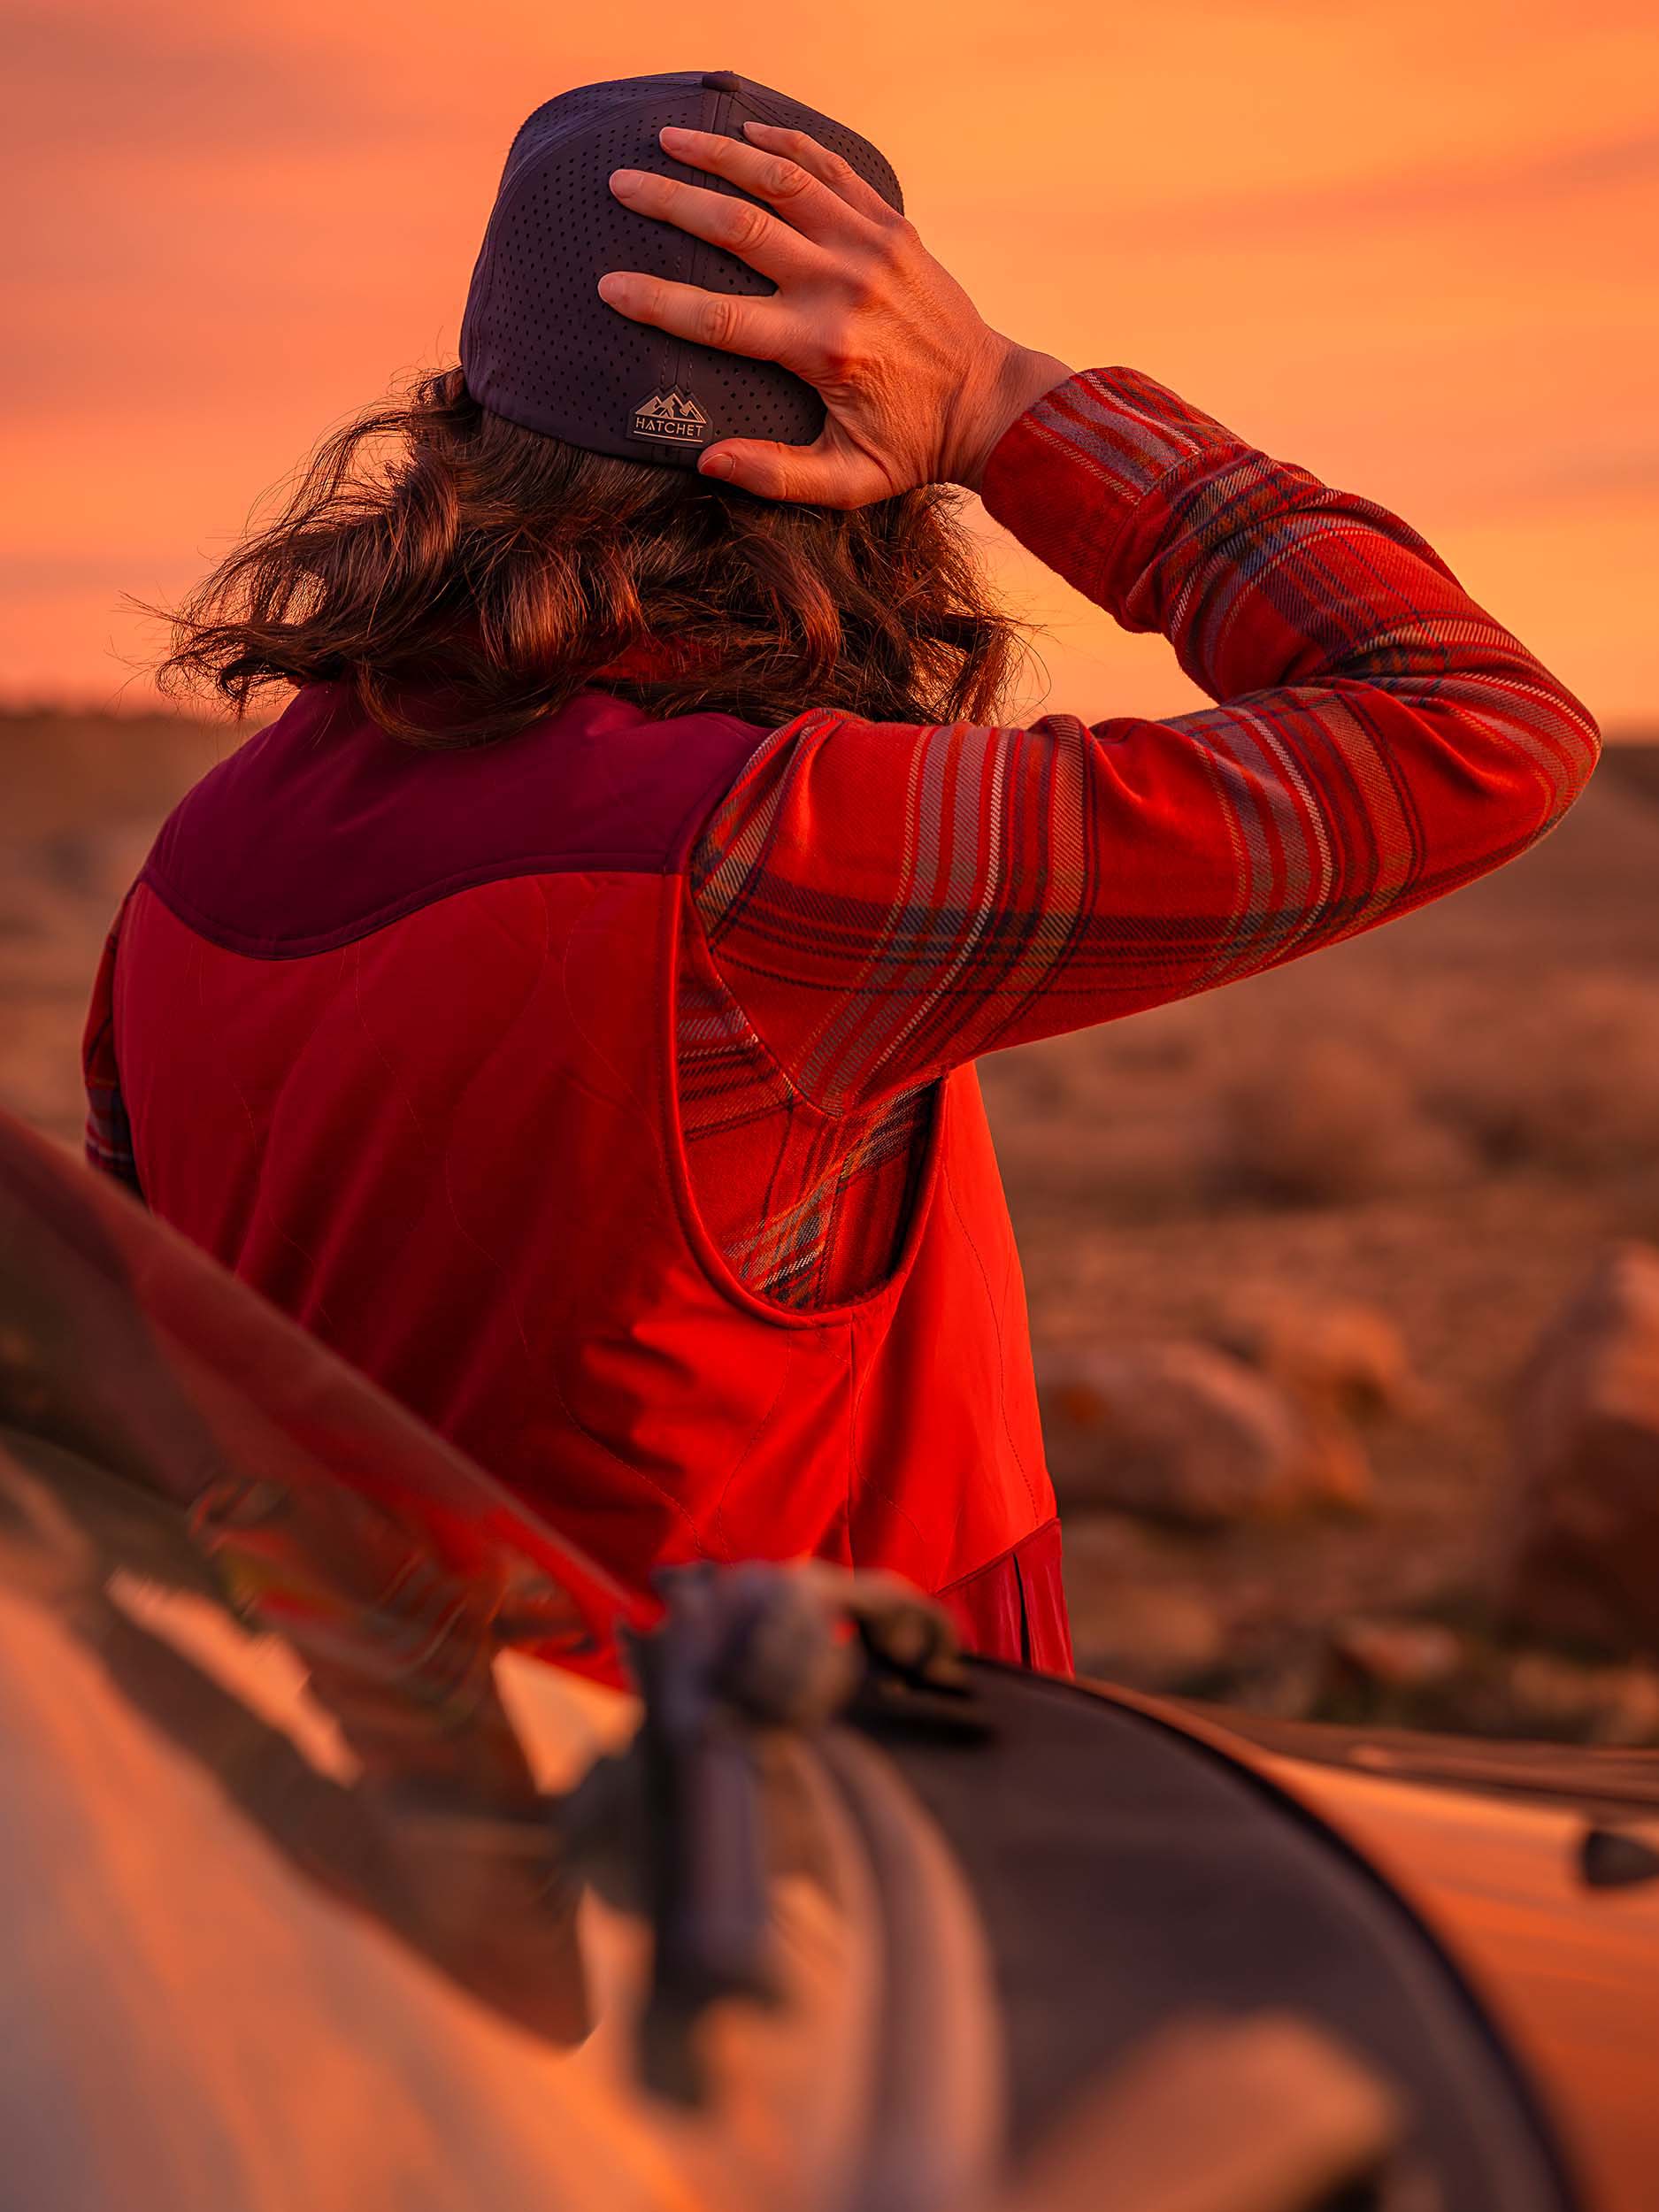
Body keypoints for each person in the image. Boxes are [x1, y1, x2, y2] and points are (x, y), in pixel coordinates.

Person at [81, 71, 1600, 1684]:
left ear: (469, 424)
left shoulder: (196, 866)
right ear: (864, 472)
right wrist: (1015, 404)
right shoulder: (786, 858)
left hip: (350, 1840)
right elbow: (1479, 727)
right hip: (804, 1857)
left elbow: (146, 1422)